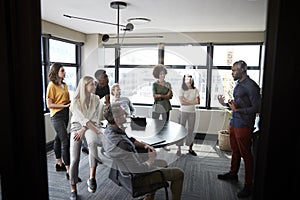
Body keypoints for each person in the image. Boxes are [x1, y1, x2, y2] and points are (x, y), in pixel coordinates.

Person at [102, 103, 184, 200]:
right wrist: (151, 159)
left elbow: (130, 139)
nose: (126, 114)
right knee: (179, 173)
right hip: (138, 179)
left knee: (163, 163)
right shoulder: (122, 144)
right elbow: (139, 170)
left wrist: (144, 145)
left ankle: (149, 197)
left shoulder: (109, 131)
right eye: (123, 114)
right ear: (116, 119)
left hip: (123, 173)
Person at [217, 60, 261, 198]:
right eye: (232, 70)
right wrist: (225, 103)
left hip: (244, 124)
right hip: (234, 122)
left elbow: (257, 108)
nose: (232, 73)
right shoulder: (238, 84)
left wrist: (238, 109)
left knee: (246, 155)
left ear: (242, 70)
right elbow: (237, 104)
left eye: (234, 70)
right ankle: (233, 173)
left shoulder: (252, 86)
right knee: (235, 150)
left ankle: (249, 186)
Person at [69, 76, 104, 200]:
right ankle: (73, 188)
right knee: (74, 159)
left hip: (89, 126)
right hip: (76, 125)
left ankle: (92, 178)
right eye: (92, 85)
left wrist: (84, 129)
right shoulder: (76, 100)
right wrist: (85, 128)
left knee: (93, 142)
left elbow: (94, 118)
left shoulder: (96, 99)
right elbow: (80, 118)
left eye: (94, 85)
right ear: (84, 86)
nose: (94, 87)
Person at [46, 63, 71, 176]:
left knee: (58, 139)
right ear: (56, 72)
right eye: (62, 70)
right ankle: (69, 170)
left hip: (65, 114)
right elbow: (50, 105)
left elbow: (66, 100)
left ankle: (59, 163)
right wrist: (64, 106)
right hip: (56, 116)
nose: (64, 72)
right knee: (65, 140)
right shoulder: (51, 86)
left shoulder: (64, 85)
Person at [176, 74, 200, 157]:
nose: (189, 81)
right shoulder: (181, 89)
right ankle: (178, 149)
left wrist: (187, 101)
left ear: (192, 80)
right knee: (181, 130)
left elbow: (198, 102)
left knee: (191, 130)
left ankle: (190, 148)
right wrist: (192, 101)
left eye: (190, 79)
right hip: (183, 111)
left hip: (192, 112)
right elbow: (182, 102)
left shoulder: (195, 89)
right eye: (187, 79)